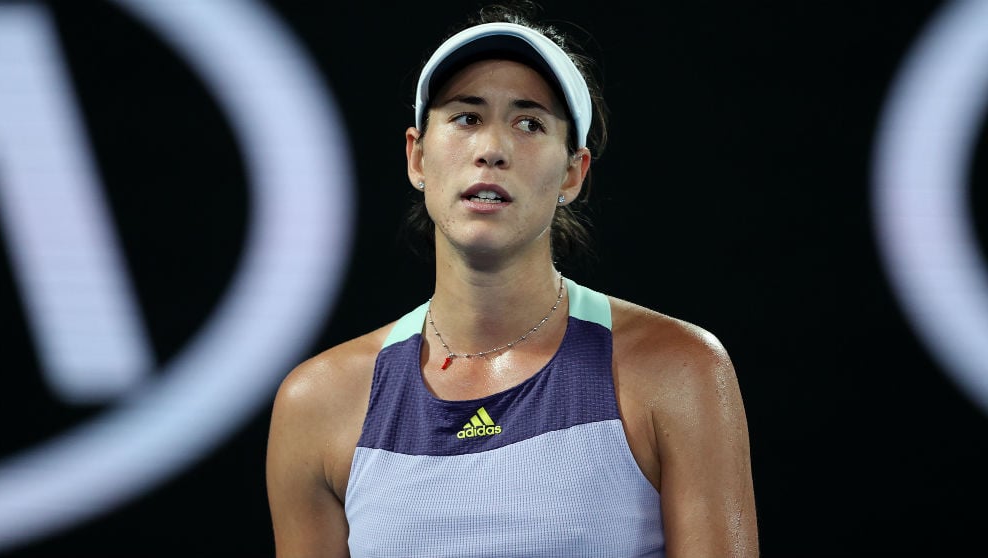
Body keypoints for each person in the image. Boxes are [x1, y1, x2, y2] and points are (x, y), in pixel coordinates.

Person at [266, 3, 759, 556]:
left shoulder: (678, 369)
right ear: (417, 156)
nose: (492, 151)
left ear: (573, 173)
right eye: (466, 117)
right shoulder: (317, 403)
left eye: (529, 123)